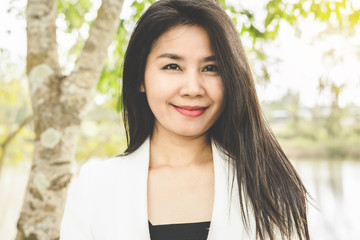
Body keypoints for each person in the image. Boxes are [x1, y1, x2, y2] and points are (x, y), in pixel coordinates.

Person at [60, 0, 310, 239]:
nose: (193, 88)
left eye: (211, 68)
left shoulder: (267, 186)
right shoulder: (96, 187)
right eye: (172, 66)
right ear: (140, 78)